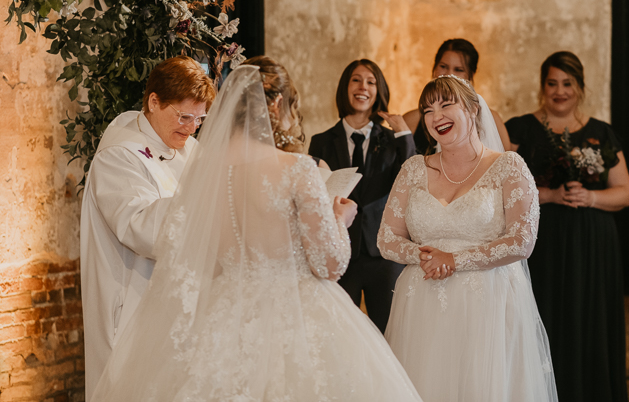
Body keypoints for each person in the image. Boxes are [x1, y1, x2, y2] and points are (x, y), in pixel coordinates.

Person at [90, 61, 423, 401]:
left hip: (226, 314)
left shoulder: (205, 173)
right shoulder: (297, 168)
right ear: (277, 105)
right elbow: (330, 265)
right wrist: (338, 217)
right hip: (295, 314)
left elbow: (208, 252)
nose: (192, 128)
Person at [378, 75, 558, 402]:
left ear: (473, 109)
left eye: (446, 105)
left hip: (488, 301)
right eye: (428, 109)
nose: (436, 117)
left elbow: (522, 240)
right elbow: (387, 238)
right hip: (423, 303)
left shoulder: (508, 166)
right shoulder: (413, 169)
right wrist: (423, 257)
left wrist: (455, 260)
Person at [80, 56, 216, 400]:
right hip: (132, 299)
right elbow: (139, 226)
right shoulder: (119, 155)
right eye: (184, 116)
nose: (191, 127)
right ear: (154, 101)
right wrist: (205, 205)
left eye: (199, 119)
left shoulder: (188, 147)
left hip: (179, 301)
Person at [505, 51, 629, 402]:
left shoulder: (601, 133)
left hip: (593, 248)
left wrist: (590, 198)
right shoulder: (521, 130)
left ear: (580, 87)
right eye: (552, 83)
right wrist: (549, 194)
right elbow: (501, 189)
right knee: (545, 317)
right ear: (542, 87)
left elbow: (625, 192)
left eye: (567, 84)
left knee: (589, 323)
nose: (560, 91)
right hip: (542, 245)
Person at [308, 59, 416, 332]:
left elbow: (414, 180)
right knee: (339, 331)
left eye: (370, 81)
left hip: (383, 254)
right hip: (341, 249)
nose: (363, 87)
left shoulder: (393, 141)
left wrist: (404, 133)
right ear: (345, 87)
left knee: (390, 331)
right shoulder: (321, 140)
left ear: (379, 91)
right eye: (356, 80)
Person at [403, 38, 511, 154]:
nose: (449, 74)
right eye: (443, 66)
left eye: (458, 69)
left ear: (471, 75)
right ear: (434, 68)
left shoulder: (492, 118)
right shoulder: (411, 120)